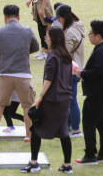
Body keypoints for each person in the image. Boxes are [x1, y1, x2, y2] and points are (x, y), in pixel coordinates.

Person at [21, 27, 73, 174]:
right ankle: (67, 165)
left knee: (36, 129)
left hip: (52, 99)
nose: (45, 38)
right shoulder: (66, 56)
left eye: (47, 36)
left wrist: (40, 97)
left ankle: (34, 163)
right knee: (63, 132)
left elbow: (48, 79)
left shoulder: (52, 56)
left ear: (53, 39)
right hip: (64, 98)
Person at [0, 4, 39, 143]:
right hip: (23, 74)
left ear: (5, 17)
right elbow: (36, 47)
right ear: (19, 16)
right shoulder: (27, 31)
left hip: (4, 73)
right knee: (27, 106)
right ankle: (28, 136)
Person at [74, 20, 103, 165]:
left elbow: (98, 71)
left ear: (99, 36)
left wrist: (82, 74)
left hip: (98, 93)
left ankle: (90, 155)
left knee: (88, 123)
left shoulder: (102, 51)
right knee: (102, 123)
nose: (89, 36)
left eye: (91, 33)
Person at [55, 4, 86, 138]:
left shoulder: (68, 33)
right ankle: (66, 127)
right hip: (77, 68)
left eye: (59, 18)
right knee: (68, 100)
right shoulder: (78, 25)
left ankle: (76, 129)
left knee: (71, 101)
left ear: (63, 17)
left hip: (70, 71)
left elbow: (65, 55)